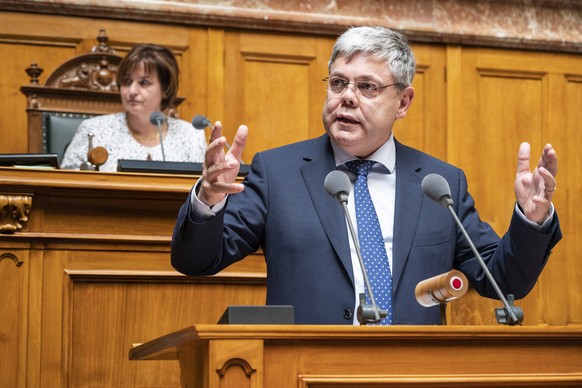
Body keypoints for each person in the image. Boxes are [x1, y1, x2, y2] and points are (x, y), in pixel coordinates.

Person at [171, 26, 562, 325]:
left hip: (410, 372)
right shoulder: (279, 172)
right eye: (338, 83)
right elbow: (196, 260)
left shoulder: (441, 183)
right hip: (306, 369)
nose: (347, 96)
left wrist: (532, 219)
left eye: (367, 87)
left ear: (403, 101)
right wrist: (207, 200)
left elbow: (503, 280)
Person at [61, 44, 206, 171]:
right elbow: (63, 186)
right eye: (126, 81)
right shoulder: (93, 130)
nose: (132, 91)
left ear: (165, 88)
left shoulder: (191, 136)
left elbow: (203, 194)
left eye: (144, 82)